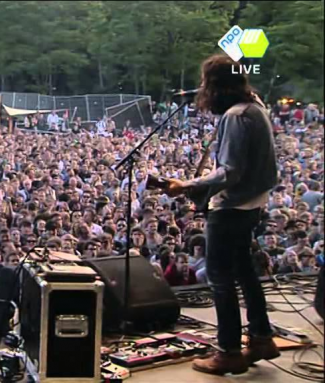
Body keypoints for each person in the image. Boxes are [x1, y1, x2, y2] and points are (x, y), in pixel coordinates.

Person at [165, 54, 279, 375]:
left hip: (231, 207)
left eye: (205, 84)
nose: (202, 90)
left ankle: (229, 351)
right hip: (252, 204)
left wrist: (187, 184)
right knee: (244, 270)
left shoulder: (236, 116)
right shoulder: (256, 108)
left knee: (220, 279)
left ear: (216, 86)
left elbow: (229, 171)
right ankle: (260, 337)